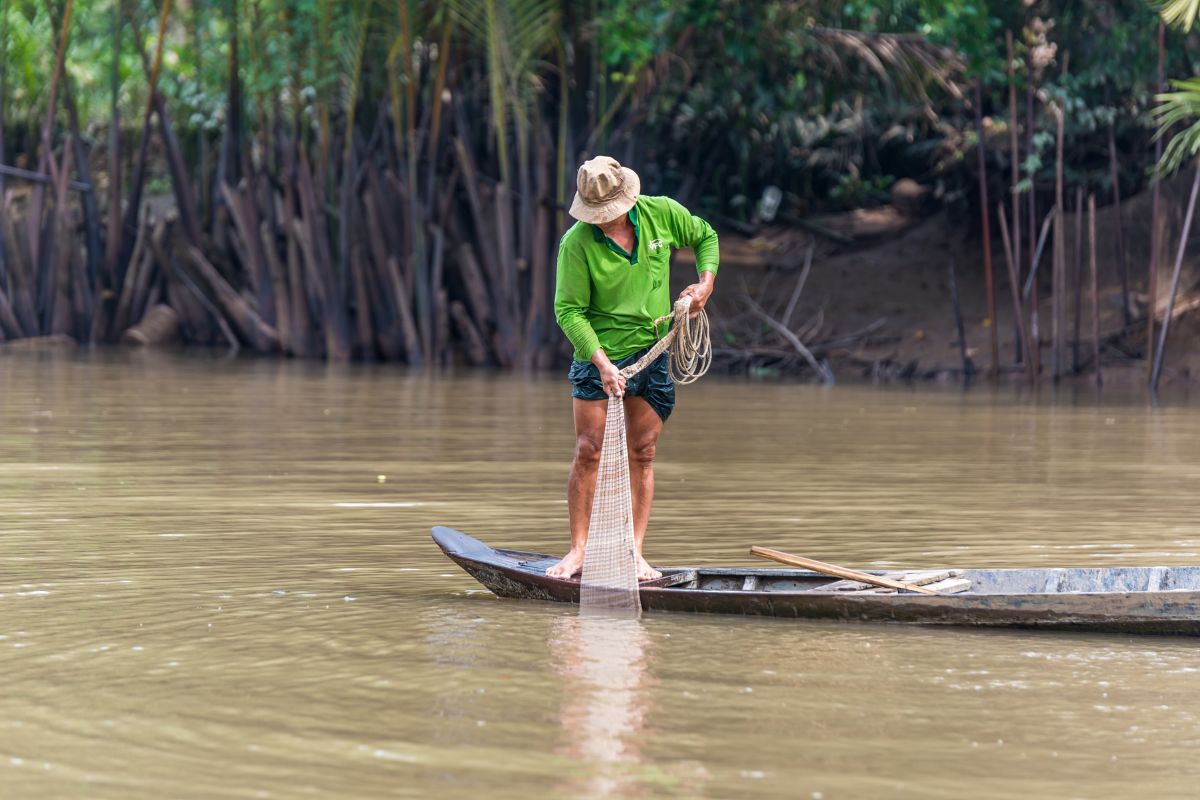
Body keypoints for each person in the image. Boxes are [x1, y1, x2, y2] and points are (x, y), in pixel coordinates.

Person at [547, 155, 719, 580]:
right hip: (598, 356)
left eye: (610, 212)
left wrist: (705, 284)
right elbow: (568, 312)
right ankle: (579, 550)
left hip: (653, 351)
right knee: (589, 450)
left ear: (627, 199)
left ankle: (634, 551)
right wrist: (603, 364)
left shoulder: (661, 213)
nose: (604, 220)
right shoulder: (577, 243)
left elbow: (706, 236)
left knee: (643, 454)